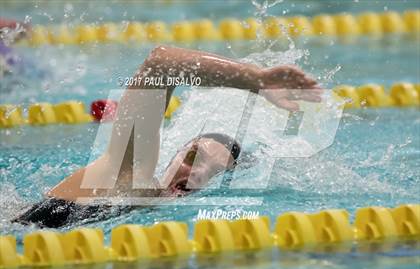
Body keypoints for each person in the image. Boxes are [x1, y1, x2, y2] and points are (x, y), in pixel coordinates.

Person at [13, 45, 320, 228]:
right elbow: (161, 64)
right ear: (175, 154)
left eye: (214, 173)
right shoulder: (126, 176)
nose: (197, 172)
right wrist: (256, 78)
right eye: (192, 157)